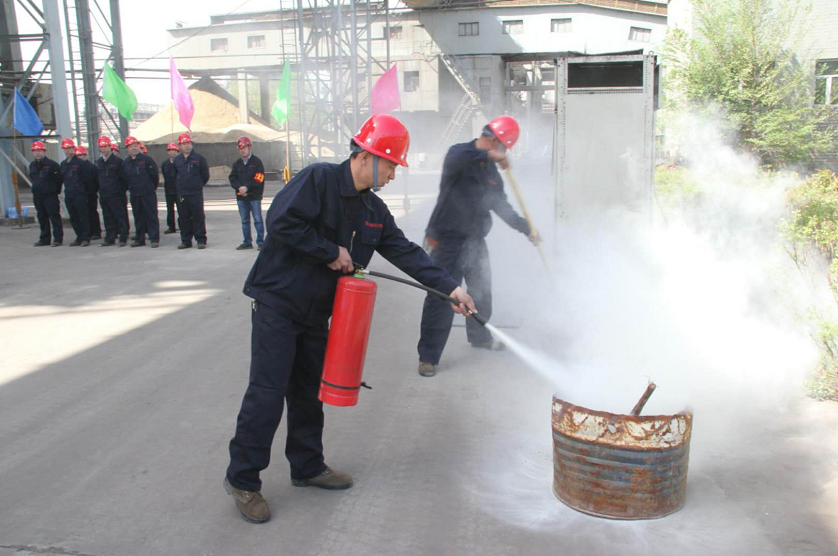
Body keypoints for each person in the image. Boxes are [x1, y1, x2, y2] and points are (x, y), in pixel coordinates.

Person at [223, 114, 477, 524]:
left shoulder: (372, 210)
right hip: (278, 303)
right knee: (267, 392)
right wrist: (328, 250)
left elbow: (405, 252)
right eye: (391, 165)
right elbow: (280, 222)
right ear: (365, 157)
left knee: (309, 392)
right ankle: (243, 479)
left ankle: (307, 466)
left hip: (315, 312)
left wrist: (449, 288)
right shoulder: (318, 179)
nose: (393, 174)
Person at [416, 116, 541, 378]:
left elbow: (501, 206)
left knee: (481, 292)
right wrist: (491, 155)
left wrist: (525, 228)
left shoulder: (491, 173)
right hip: (447, 241)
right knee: (441, 297)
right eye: (504, 147)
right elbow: (461, 157)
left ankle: (480, 337)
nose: (504, 153)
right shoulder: (459, 154)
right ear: (495, 141)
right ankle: (428, 356)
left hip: (475, 241)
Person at [173, 133, 210, 249]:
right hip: (182, 194)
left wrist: (197, 185)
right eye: (184, 144)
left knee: (198, 216)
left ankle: (201, 240)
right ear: (180, 146)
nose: (186, 146)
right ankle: (186, 241)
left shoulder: (199, 158)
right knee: (183, 218)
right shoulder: (177, 160)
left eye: (188, 143)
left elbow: (205, 175)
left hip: (195, 193)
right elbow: (174, 176)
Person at [229, 136, 266, 250]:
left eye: (244, 148)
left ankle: (261, 242)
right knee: (245, 221)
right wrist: (240, 188)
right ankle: (247, 242)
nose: (242, 150)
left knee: (258, 220)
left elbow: (259, 178)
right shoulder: (237, 164)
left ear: (249, 147)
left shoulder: (257, 162)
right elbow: (232, 178)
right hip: (241, 197)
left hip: (254, 197)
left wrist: (247, 188)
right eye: (241, 148)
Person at [124, 136, 161, 248]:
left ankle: (154, 239)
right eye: (131, 146)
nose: (134, 148)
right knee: (138, 217)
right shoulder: (126, 163)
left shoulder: (146, 160)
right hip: (135, 194)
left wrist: (150, 188)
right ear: (127, 149)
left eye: (135, 146)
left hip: (148, 193)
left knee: (151, 216)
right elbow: (124, 178)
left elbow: (154, 176)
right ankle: (140, 239)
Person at [96, 136, 129, 247]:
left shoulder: (118, 162)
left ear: (110, 147)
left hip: (116, 194)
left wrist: (119, 191)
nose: (104, 149)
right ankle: (110, 238)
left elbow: (124, 179)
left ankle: (123, 238)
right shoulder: (99, 162)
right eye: (101, 147)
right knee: (107, 217)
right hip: (104, 194)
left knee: (120, 216)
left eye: (105, 146)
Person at [29, 141, 63, 247]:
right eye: (35, 151)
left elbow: (59, 179)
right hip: (38, 196)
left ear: (44, 151)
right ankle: (44, 239)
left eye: (39, 151)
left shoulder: (52, 165)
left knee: (54, 216)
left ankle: (58, 239)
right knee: (42, 216)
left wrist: (54, 190)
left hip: (50, 195)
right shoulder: (32, 165)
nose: (37, 153)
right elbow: (33, 178)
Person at [59, 138, 91, 246]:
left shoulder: (80, 163)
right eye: (65, 149)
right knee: (73, 217)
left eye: (69, 148)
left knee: (83, 216)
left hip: (80, 194)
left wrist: (85, 193)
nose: (67, 150)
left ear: (73, 148)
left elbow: (87, 180)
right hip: (69, 194)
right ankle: (79, 237)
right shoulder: (63, 164)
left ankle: (86, 238)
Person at [75, 146, 102, 240]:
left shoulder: (91, 167)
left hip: (90, 194)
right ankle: (87, 231)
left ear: (85, 156)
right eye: (78, 156)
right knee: (83, 214)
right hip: (80, 194)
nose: (79, 158)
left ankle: (96, 232)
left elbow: (96, 181)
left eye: (81, 155)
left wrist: (93, 191)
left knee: (92, 212)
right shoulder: (76, 167)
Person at [160, 142, 179, 234]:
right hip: (169, 189)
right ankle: (171, 227)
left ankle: (183, 225)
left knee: (182, 209)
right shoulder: (165, 164)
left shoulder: (180, 163)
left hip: (179, 190)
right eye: (171, 150)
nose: (172, 152)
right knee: (170, 209)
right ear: (168, 152)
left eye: (174, 150)